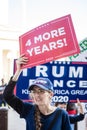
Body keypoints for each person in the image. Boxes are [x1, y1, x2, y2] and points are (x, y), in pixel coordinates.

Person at [3, 54, 72, 130]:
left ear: (51, 94)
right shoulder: (28, 109)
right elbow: (7, 96)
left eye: (41, 91)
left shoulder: (61, 114)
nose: (37, 95)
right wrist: (18, 70)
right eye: (34, 92)